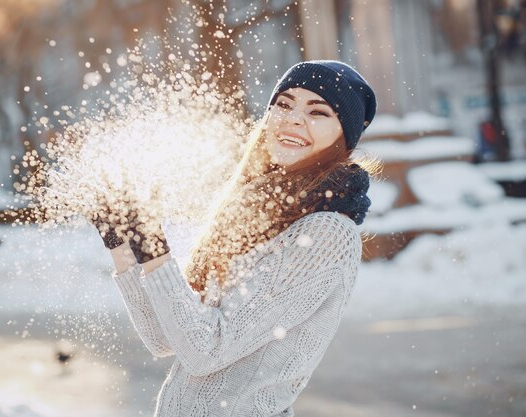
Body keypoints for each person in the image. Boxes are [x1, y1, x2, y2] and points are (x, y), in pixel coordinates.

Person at [93, 60, 377, 416]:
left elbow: (205, 351)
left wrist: (155, 250)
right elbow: (165, 339)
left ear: (344, 137)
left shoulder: (326, 233)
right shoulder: (252, 214)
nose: (292, 119)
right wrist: (123, 245)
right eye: (284, 104)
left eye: (318, 112)